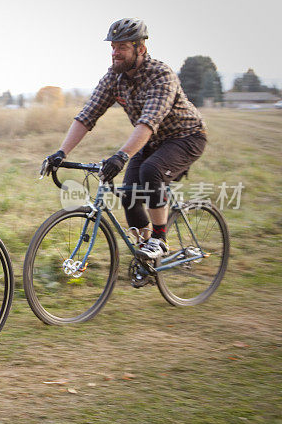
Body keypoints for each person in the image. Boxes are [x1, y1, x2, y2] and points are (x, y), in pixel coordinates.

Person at [44, 18, 207, 260]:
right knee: (130, 192)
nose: (114, 53)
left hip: (186, 136)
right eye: (112, 47)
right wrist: (61, 153)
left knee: (151, 170)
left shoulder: (161, 76)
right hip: (152, 142)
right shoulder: (114, 77)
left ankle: (159, 240)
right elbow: (87, 116)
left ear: (140, 49)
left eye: (122, 47)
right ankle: (146, 255)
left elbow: (148, 122)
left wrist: (121, 155)